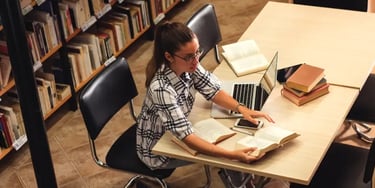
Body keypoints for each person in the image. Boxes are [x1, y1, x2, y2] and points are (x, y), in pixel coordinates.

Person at [136, 21, 289, 188]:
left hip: (176, 133)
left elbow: (213, 90)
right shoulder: (161, 89)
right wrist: (231, 156)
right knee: (228, 155)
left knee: (231, 142)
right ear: (169, 56)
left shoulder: (188, 64)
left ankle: (247, 180)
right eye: (189, 56)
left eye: (197, 52)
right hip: (159, 151)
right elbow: (187, 137)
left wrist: (242, 109)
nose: (195, 60)